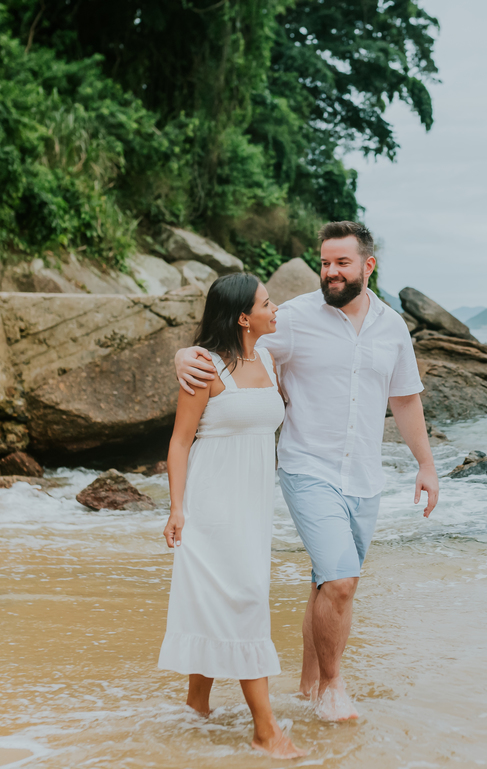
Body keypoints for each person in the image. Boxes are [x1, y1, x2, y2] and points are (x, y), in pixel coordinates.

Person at [174, 221, 440, 722]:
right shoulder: (291, 318)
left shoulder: (392, 328)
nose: (330, 272)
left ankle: (310, 688)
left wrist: (425, 465)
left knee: (330, 583)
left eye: (341, 263)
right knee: (340, 579)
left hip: (365, 477)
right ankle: (335, 688)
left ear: (368, 265)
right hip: (307, 467)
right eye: (324, 262)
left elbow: (404, 399)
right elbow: (231, 349)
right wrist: (183, 354)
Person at [158, 272, 305, 759]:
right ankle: (265, 730)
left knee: (225, 603)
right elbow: (179, 445)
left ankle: (195, 706)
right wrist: (177, 510)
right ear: (244, 317)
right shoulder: (205, 368)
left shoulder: (266, 356)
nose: (275, 307)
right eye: (267, 302)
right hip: (212, 507)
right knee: (243, 599)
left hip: (253, 508)